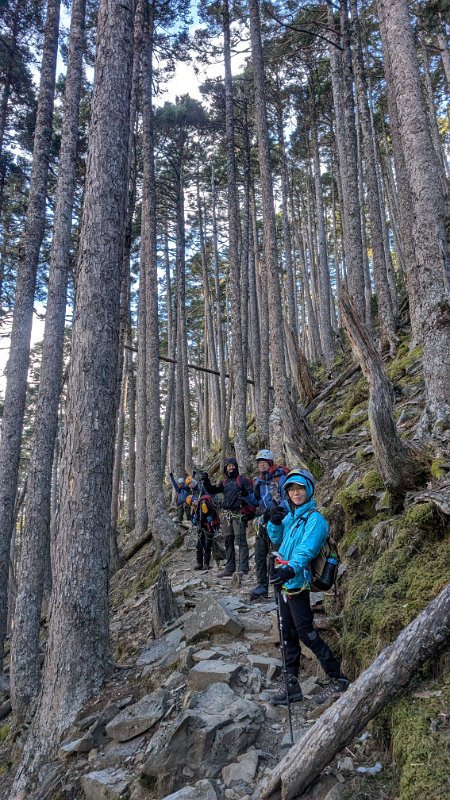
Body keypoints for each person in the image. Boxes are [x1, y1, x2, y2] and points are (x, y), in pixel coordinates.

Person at [267, 468, 349, 706]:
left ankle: (338, 678)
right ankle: (291, 684)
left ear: (309, 490)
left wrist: (290, 568)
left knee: (305, 632)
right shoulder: (292, 517)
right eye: (292, 489)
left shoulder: (315, 519)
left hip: (298, 582)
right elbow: (276, 538)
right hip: (286, 581)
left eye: (300, 488)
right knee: (287, 633)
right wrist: (274, 522)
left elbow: (307, 549)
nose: (296, 493)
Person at [203, 458, 256, 577]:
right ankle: (230, 568)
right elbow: (213, 490)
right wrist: (206, 481)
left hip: (239, 514)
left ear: (236, 466)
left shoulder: (242, 480)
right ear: (225, 468)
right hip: (227, 515)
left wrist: (244, 497)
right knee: (228, 541)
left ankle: (243, 568)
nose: (230, 468)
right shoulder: (224, 482)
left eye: (232, 466)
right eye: (228, 466)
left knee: (240, 541)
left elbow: (251, 494)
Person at [250, 449, 290, 600]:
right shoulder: (259, 481)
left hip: (278, 521)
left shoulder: (280, 478)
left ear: (270, 462)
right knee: (260, 554)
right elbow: (257, 502)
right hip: (263, 521)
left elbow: (287, 499)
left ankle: (280, 587)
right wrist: (246, 496)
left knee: (276, 555)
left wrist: (276, 511)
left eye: (264, 462)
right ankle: (262, 586)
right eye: (259, 463)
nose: (261, 465)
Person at [186, 481, 220, 571]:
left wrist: (210, 517)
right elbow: (192, 518)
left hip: (209, 526)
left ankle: (206, 564)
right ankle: (199, 563)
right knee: (199, 545)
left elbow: (214, 511)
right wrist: (193, 520)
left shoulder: (204, 503)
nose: (193, 503)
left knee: (207, 545)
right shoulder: (195, 508)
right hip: (201, 528)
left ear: (195, 499)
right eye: (191, 504)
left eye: (193, 501)